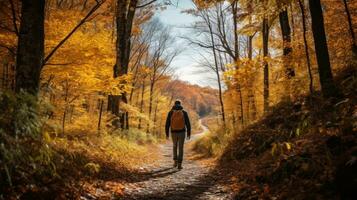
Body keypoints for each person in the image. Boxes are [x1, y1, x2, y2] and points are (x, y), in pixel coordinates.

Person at [165, 100, 191, 170]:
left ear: (174, 104)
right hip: (182, 132)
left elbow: (167, 124)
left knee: (174, 146)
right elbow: (188, 123)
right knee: (181, 147)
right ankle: (180, 164)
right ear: (180, 104)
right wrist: (188, 133)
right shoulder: (184, 112)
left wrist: (167, 134)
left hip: (173, 132)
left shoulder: (170, 112)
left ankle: (175, 162)